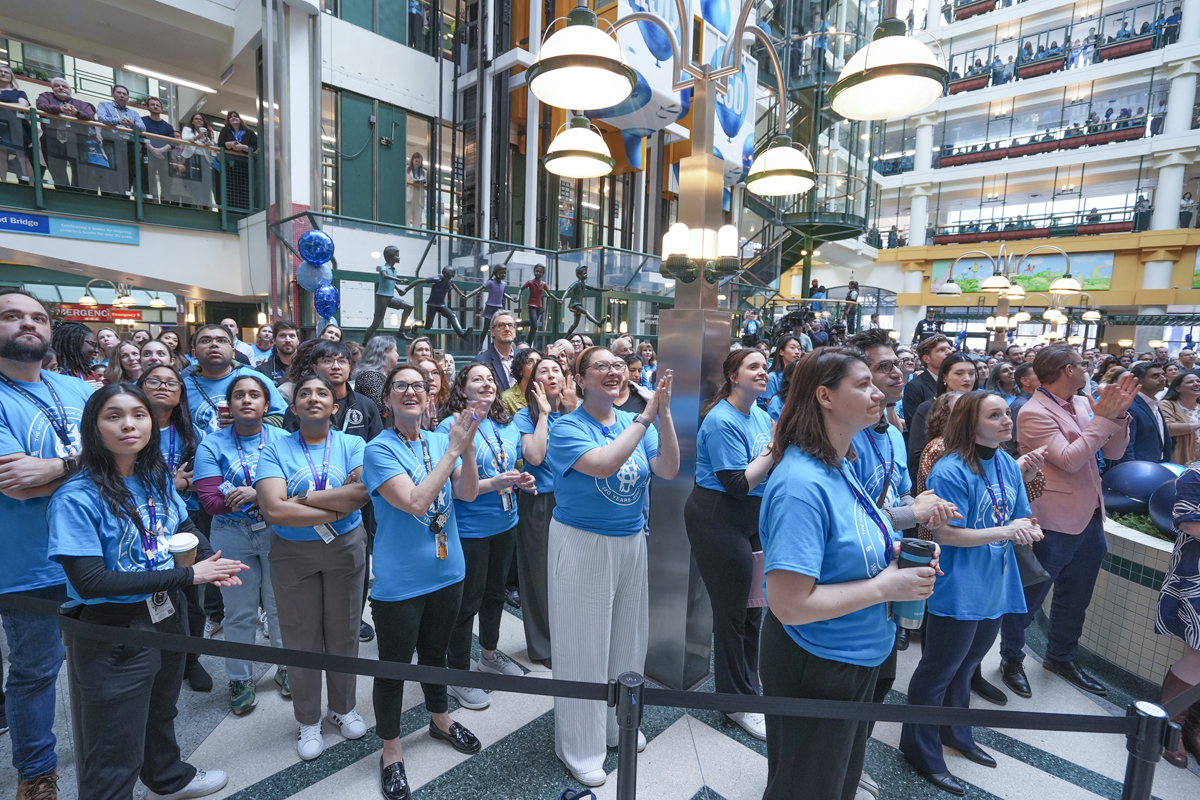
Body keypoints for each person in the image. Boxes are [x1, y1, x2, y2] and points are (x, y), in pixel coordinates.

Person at [48, 382, 243, 800]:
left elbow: (183, 527)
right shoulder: (76, 496)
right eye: (113, 416)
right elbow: (91, 581)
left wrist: (212, 562)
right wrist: (191, 577)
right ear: (94, 427)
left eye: (138, 415)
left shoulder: (153, 477)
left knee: (161, 709)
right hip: (113, 627)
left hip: (165, 611)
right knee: (114, 739)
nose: (128, 425)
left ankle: (168, 777)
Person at [758, 347, 939, 800]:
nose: (878, 391)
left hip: (855, 654)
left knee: (835, 782)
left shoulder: (841, 463)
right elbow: (790, 604)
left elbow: (846, 540)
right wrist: (885, 586)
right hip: (817, 661)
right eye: (862, 384)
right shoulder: (801, 485)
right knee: (806, 787)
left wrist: (894, 551)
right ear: (825, 396)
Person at [901, 392, 1044, 796]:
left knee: (969, 666)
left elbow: (1017, 513)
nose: (1006, 421)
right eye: (995, 415)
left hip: (996, 580)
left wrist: (1027, 526)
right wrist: (1006, 531)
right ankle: (919, 747)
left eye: (1007, 414)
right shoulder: (949, 469)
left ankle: (955, 731)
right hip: (959, 582)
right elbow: (944, 532)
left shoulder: (1004, 464)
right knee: (938, 670)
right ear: (970, 421)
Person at [546, 348, 677, 786]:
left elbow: (669, 468)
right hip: (582, 542)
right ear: (580, 381)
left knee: (626, 638)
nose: (613, 371)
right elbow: (604, 465)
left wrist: (664, 416)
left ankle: (616, 724)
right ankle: (579, 746)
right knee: (583, 647)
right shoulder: (566, 428)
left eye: (618, 365)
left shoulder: (631, 423)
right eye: (600, 366)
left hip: (630, 540)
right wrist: (645, 419)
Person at [364, 363, 488, 800]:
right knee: (394, 665)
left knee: (436, 655)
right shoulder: (377, 450)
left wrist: (466, 448)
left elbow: (469, 493)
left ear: (430, 396)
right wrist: (455, 450)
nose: (412, 392)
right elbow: (416, 501)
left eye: (419, 386)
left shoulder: (440, 441)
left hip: (448, 570)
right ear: (388, 398)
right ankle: (392, 750)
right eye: (402, 387)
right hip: (400, 580)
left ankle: (440, 719)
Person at [0, 290, 96, 799]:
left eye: (37, 317)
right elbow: (13, 482)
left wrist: (55, 469)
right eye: (12, 316)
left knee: (107, 661)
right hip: (28, 564)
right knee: (35, 672)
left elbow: (122, 458)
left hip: (97, 555)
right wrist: (87, 466)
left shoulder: (76, 391)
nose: (27, 324)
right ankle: (36, 774)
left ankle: (112, 750)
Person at [999, 345, 1137, 699]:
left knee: (1076, 598)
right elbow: (1070, 460)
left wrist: (1118, 417)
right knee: (1029, 597)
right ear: (1066, 370)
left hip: (1089, 516)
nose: (1087, 367)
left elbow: (1113, 452)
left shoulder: (1080, 402)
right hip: (1052, 520)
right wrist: (1104, 419)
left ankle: (1061, 657)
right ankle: (1011, 659)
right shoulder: (1032, 412)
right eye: (1081, 363)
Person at [256, 374, 371, 760]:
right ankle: (308, 719)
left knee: (344, 631)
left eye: (322, 393)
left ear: (335, 406)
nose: (313, 398)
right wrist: (335, 506)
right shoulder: (275, 448)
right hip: (292, 554)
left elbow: (361, 494)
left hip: (346, 549)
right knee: (300, 636)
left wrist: (303, 498)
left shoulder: (353, 443)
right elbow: (273, 509)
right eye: (304, 393)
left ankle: (342, 708)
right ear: (293, 408)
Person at [685, 349, 774, 741]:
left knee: (754, 610)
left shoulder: (761, 414)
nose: (763, 372)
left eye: (766, 367)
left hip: (751, 520)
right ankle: (735, 701)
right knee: (732, 613)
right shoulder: (721, 419)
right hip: (717, 518)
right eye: (754, 366)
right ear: (733, 376)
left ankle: (749, 687)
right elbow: (737, 485)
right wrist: (774, 449)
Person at [433, 362, 533, 709]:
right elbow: (461, 489)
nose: (487, 383)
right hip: (470, 530)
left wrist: (520, 480)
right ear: (463, 390)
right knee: (466, 603)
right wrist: (500, 483)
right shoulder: (452, 425)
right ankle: (459, 673)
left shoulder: (506, 425)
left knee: (495, 596)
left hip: (506, 523)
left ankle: (489, 654)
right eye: (478, 379)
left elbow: (512, 466)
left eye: (491, 379)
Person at [194, 373, 291, 715]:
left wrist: (254, 493)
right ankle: (240, 678)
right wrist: (269, 494)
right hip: (231, 534)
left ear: (267, 404)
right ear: (229, 405)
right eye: (239, 395)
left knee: (280, 605)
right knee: (239, 611)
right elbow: (210, 501)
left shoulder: (284, 440)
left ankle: (285, 668)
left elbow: (295, 489)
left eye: (254, 395)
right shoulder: (211, 444)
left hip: (277, 532)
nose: (246, 400)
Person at [138, 364, 214, 692]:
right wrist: (173, 482)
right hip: (140, 523)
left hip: (186, 519)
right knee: (151, 593)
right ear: (139, 387)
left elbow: (202, 478)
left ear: (181, 392)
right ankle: (153, 658)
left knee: (191, 594)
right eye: (154, 381)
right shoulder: (132, 430)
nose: (163, 387)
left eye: (171, 382)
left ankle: (190, 659)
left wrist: (185, 485)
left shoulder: (190, 431)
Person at [513, 356, 577, 669]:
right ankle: (543, 645)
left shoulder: (577, 411)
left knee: (571, 574)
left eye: (556, 370)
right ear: (533, 381)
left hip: (575, 501)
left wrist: (572, 409)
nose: (551, 375)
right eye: (543, 371)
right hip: (541, 501)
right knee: (539, 575)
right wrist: (544, 416)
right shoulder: (525, 417)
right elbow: (535, 457)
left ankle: (569, 636)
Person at [1157, 462, 1200, 767]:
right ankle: (1168, 727)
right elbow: (1189, 522)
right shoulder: (1195, 474)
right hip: (1196, 578)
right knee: (1197, 656)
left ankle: (1193, 728)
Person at [186, 325, 287, 435]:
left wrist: (251, 424)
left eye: (222, 340)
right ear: (194, 353)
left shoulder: (257, 379)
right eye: (206, 340)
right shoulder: (183, 387)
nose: (214, 344)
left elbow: (286, 418)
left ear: (233, 353)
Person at [283, 340, 383, 442]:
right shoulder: (301, 407)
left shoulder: (366, 406)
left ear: (349, 368)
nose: (336, 367)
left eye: (342, 361)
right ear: (315, 368)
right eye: (328, 361)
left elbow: (376, 446)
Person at [908, 352, 977, 467]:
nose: (967, 379)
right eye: (959, 373)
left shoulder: (979, 406)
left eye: (972, 373)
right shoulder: (927, 408)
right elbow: (917, 453)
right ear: (945, 377)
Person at [36, 78, 97, 191]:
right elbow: (40, 106)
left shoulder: (81, 104)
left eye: (64, 86)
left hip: (77, 141)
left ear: (70, 90)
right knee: (56, 169)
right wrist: (60, 109)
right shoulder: (46, 96)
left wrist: (76, 112)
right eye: (57, 85)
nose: (60, 88)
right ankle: (63, 193)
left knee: (79, 170)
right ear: (52, 88)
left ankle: (77, 195)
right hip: (52, 139)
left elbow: (90, 115)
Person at [95, 85, 146, 196]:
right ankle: (115, 194)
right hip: (112, 141)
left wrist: (132, 124)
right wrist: (118, 121)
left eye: (125, 94)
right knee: (115, 166)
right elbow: (102, 118)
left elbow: (143, 127)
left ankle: (126, 194)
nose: (122, 96)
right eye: (119, 93)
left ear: (128, 97)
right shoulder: (104, 105)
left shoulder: (134, 113)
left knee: (131, 170)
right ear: (113, 94)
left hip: (130, 143)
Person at [1119, 361, 1172, 463]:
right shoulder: (1130, 406)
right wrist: (1131, 470)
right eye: (1155, 376)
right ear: (1139, 381)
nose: (1163, 379)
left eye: (1163, 374)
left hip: (1157, 465)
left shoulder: (1154, 402)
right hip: (1139, 469)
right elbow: (1126, 445)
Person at [363, 247, 416, 343]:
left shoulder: (394, 270)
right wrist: (401, 280)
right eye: (397, 256)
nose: (399, 258)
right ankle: (364, 343)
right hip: (382, 298)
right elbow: (385, 276)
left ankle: (401, 331)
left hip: (390, 298)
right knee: (376, 324)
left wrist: (398, 289)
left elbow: (391, 282)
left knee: (409, 306)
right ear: (390, 257)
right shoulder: (383, 267)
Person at [904, 334, 954, 432]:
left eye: (949, 348)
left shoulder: (956, 382)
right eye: (941, 350)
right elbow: (915, 426)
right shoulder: (915, 386)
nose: (949, 352)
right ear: (927, 359)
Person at [0, 65, 35, 184]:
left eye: (6, 72)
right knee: (1, 154)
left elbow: (22, 106)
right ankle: (4, 182)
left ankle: (31, 185)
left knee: (23, 155)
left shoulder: (19, 93)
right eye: (0, 72)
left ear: (11, 77)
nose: (3, 74)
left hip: (17, 125)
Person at [216, 111, 257, 208]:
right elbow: (221, 144)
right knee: (230, 187)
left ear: (240, 119)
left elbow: (254, 147)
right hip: (229, 164)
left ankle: (244, 208)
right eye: (230, 117)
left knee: (244, 187)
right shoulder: (225, 131)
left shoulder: (249, 133)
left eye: (235, 116)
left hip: (244, 165)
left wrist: (243, 147)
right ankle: (231, 209)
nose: (233, 118)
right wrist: (230, 144)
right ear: (228, 121)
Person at [471, 310, 520, 391]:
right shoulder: (481, 361)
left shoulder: (523, 357)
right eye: (501, 325)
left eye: (510, 325)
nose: (507, 329)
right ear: (492, 331)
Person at [353, 336, 401, 418]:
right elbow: (382, 410)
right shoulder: (370, 377)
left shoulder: (382, 376)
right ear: (386, 352)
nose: (398, 355)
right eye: (395, 351)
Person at [140, 97, 176, 202]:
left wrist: (160, 150)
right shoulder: (142, 121)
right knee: (149, 181)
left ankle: (165, 204)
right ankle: (150, 203)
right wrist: (153, 150)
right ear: (148, 107)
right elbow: (141, 137)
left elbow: (172, 142)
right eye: (153, 104)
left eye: (158, 105)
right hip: (148, 155)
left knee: (166, 182)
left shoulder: (168, 126)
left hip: (163, 157)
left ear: (161, 108)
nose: (155, 106)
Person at [1159, 373, 1200, 465]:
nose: (1196, 384)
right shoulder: (1167, 404)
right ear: (1178, 388)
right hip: (1178, 458)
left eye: (1198, 381)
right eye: (1190, 382)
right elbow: (1168, 428)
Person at [417, 268, 470, 336]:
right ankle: (416, 323)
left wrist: (461, 295)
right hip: (432, 305)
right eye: (446, 276)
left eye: (450, 277)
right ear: (443, 274)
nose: (448, 278)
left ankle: (463, 335)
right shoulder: (436, 279)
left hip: (441, 306)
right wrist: (406, 289)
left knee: (452, 315)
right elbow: (417, 281)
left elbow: (454, 286)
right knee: (427, 327)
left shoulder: (450, 281)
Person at [51, 322, 103, 387]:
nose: (97, 351)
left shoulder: (91, 375)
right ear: (74, 343)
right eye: (93, 345)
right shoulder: (52, 373)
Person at [563, 266, 612, 335]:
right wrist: (562, 299)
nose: (586, 275)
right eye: (584, 273)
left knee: (575, 324)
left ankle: (566, 338)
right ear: (579, 275)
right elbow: (568, 290)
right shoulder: (576, 283)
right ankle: (598, 323)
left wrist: (606, 290)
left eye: (586, 273)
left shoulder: (584, 284)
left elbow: (595, 288)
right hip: (574, 305)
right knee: (586, 311)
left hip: (578, 305)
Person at [760, 335, 802, 412]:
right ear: (781, 352)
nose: (797, 352)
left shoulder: (801, 375)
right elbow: (772, 408)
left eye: (799, 349)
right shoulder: (772, 377)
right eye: (792, 348)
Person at [517, 264, 557, 345]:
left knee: (532, 323)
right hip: (531, 305)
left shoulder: (543, 284)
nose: (538, 273)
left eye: (540, 272)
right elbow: (521, 289)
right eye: (537, 271)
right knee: (534, 326)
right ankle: (528, 344)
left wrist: (557, 299)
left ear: (543, 273)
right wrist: (518, 297)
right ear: (534, 271)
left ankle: (517, 324)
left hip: (539, 306)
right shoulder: (530, 282)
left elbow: (549, 294)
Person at [1007, 362, 1040, 455]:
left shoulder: (1033, 402)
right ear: (1025, 381)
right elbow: (1020, 445)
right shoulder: (1022, 405)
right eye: (1039, 374)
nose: (1045, 377)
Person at [501, 347, 541, 415]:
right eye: (530, 361)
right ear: (520, 370)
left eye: (539, 362)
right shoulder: (506, 398)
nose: (536, 365)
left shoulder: (547, 393)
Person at [405, 152, 427, 227]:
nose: (417, 163)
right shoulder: (407, 169)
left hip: (419, 197)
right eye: (416, 161)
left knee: (418, 218)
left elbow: (427, 185)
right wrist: (411, 182)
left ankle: (416, 234)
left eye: (419, 162)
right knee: (407, 216)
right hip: (409, 197)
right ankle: (405, 233)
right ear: (412, 161)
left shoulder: (424, 172)